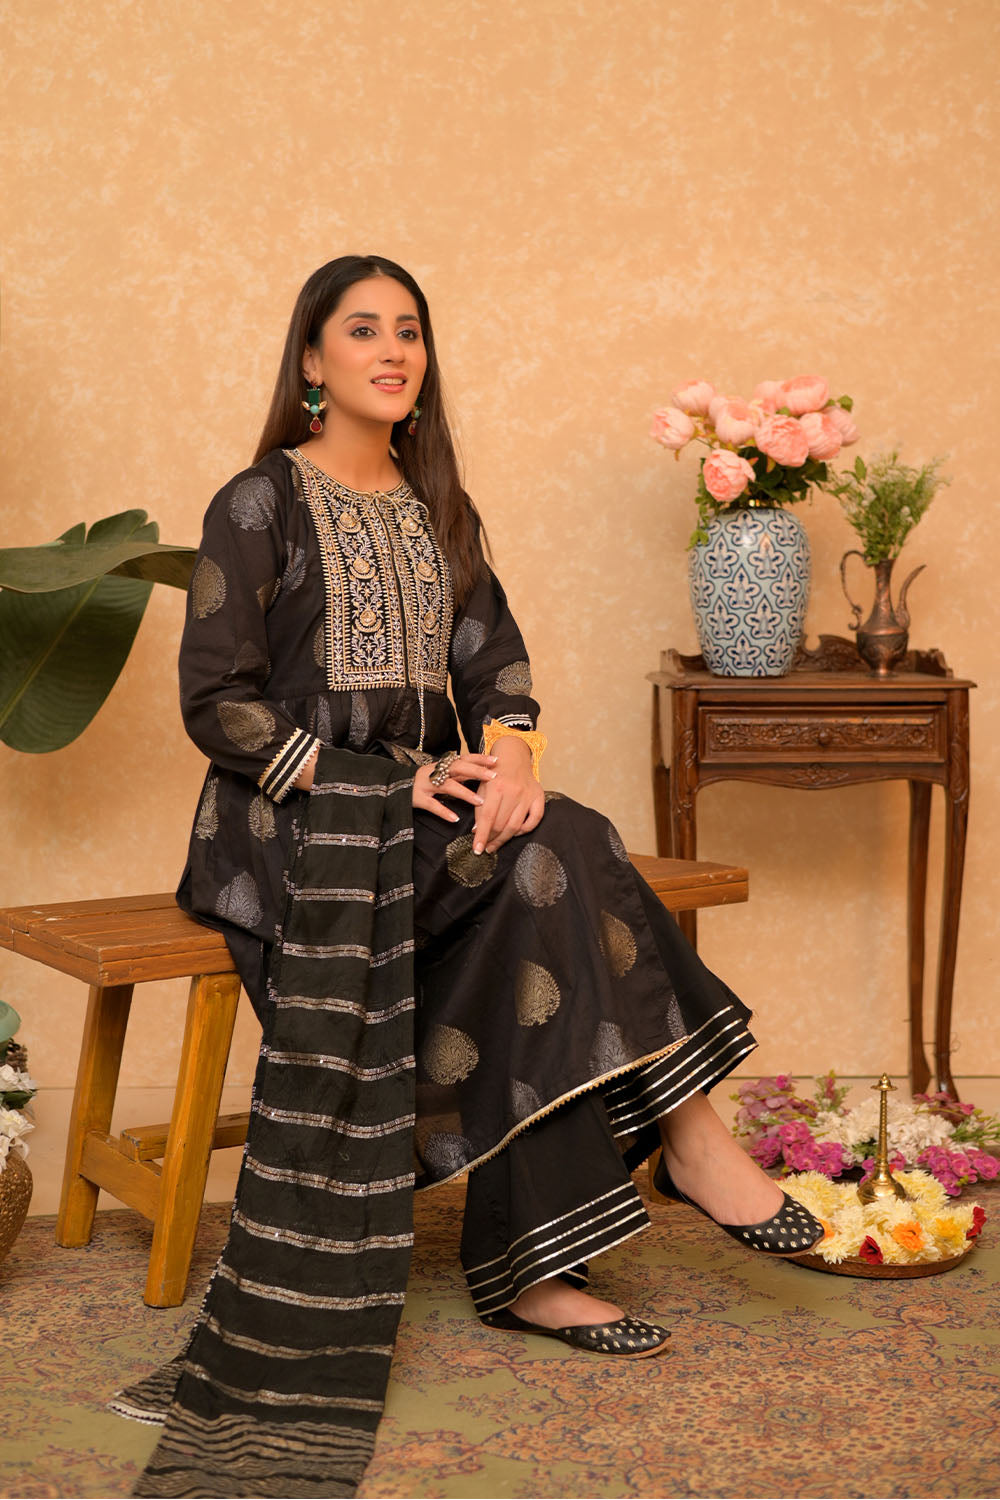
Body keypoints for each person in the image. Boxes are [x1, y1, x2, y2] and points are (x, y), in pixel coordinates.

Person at [120, 254, 824, 1497]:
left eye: (410, 330)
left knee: (547, 858)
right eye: (363, 330)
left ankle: (571, 1240)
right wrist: (379, 784)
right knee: (564, 860)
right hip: (292, 827)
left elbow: (496, 663)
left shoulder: (435, 502)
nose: (393, 350)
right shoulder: (259, 501)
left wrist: (509, 760)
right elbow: (216, 705)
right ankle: (658, 1167)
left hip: (429, 805)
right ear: (311, 361)